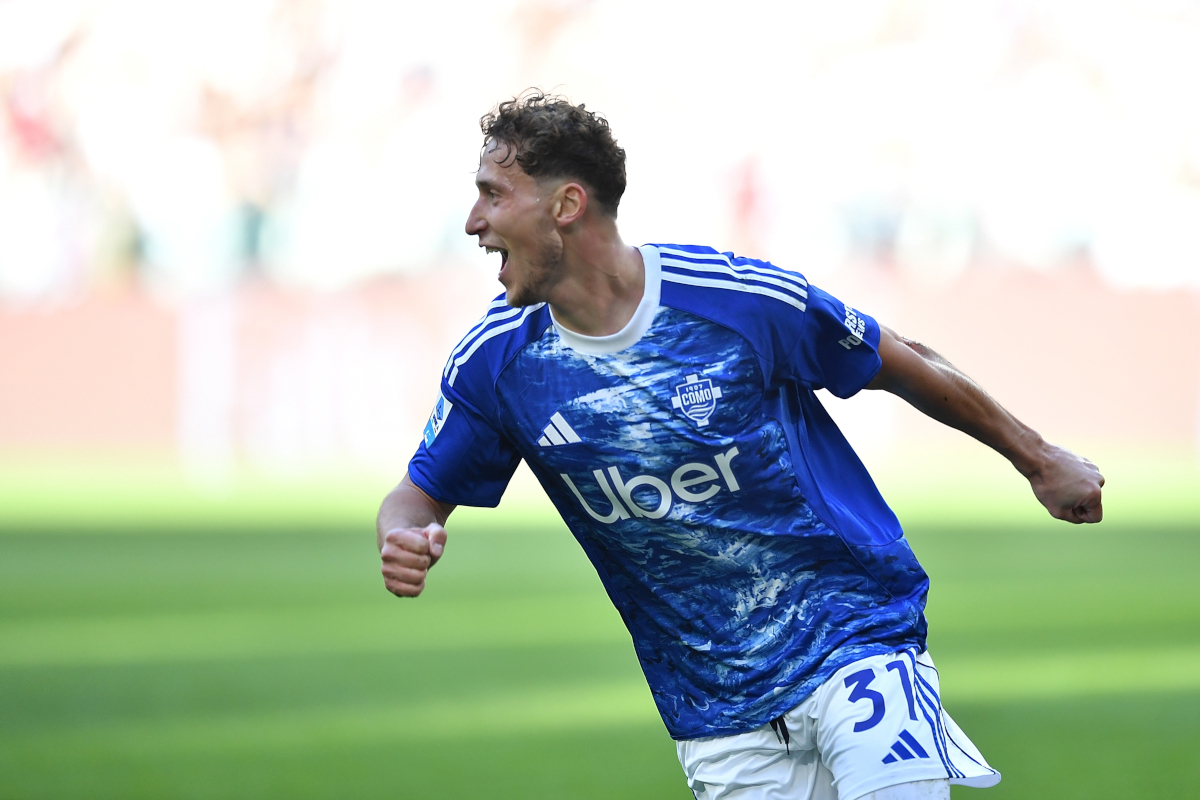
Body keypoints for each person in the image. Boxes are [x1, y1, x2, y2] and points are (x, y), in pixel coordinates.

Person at [376, 92, 1104, 800]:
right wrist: (404, 533)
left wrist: (1038, 459)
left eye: (492, 195)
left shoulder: (733, 299)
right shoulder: (497, 363)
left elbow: (899, 358)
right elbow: (417, 496)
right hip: (715, 709)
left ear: (566, 206)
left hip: (855, 638)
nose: (473, 221)